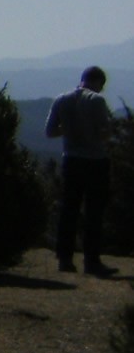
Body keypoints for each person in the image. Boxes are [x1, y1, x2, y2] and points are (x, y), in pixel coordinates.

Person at [46, 66, 118, 276]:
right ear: (98, 82)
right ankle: (92, 261)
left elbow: (50, 132)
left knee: (69, 209)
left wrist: (69, 131)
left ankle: (65, 259)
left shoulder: (61, 99)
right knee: (94, 212)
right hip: (95, 161)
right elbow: (104, 133)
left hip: (70, 160)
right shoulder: (96, 101)